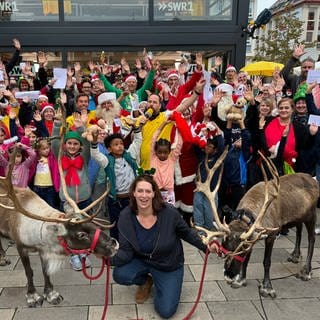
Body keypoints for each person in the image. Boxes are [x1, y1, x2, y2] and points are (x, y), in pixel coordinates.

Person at [111, 174, 218, 319]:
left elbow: (187, 233)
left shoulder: (169, 213)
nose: (144, 195)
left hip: (168, 264)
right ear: (134, 193)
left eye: (148, 191)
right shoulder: (125, 216)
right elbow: (126, 251)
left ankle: (164, 282)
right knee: (120, 274)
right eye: (140, 191)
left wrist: (206, 246)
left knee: (166, 311)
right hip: (142, 260)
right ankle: (146, 281)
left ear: (154, 193)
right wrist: (108, 258)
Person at [90, 130, 142, 240]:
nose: (120, 147)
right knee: (115, 224)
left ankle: (133, 242)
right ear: (109, 149)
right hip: (115, 200)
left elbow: (137, 141)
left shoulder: (130, 155)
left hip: (131, 198)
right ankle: (116, 244)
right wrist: (94, 143)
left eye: (121, 144)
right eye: (116, 144)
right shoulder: (107, 161)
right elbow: (95, 154)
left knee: (133, 222)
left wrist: (137, 130)